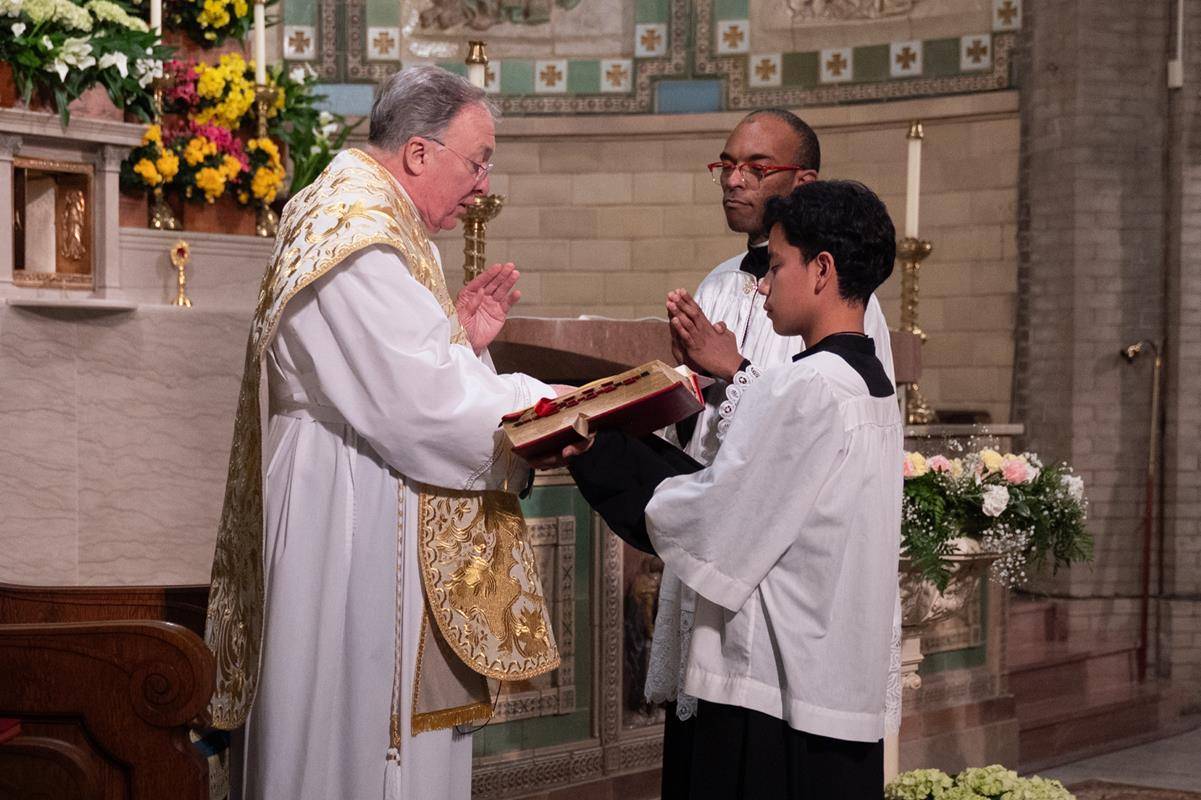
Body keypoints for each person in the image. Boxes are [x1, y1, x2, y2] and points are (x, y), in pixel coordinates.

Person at [203, 66, 564, 800]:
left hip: (368, 480)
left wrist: (458, 339)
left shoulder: (373, 219)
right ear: (420, 154)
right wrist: (544, 403)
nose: (483, 183)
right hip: (350, 508)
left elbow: (400, 373)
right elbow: (415, 407)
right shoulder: (357, 231)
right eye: (477, 161)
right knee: (356, 727)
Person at [565, 180, 905, 799]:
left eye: (776, 266)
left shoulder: (809, 387)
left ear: (822, 269)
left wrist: (598, 451)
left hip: (775, 689)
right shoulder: (871, 385)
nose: (764, 285)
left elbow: (715, 523)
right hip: (833, 683)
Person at [653, 109, 898, 775]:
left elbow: (811, 418)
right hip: (714, 542)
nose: (733, 180)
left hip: (772, 581)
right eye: (725, 164)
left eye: (755, 168)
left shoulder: (851, 304)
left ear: (802, 181)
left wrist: (730, 371)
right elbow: (708, 427)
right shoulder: (716, 283)